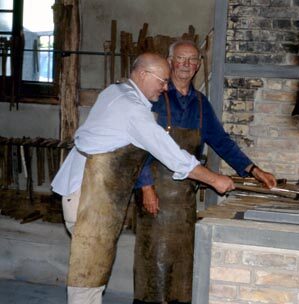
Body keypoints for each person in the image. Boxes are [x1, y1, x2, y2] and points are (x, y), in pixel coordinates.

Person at [51, 52, 235, 304]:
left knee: (94, 267)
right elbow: (173, 155)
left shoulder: (116, 90)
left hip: (89, 189)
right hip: (87, 195)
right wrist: (214, 180)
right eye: (161, 81)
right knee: (89, 270)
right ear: (142, 75)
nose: (165, 87)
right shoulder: (133, 110)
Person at [133, 41, 277, 304]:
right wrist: (145, 187)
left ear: (198, 65)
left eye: (192, 60)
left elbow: (221, 142)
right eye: (181, 59)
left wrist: (254, 170)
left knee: (182, 269)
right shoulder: (154, 98)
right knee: (154, 267)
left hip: (184, 199)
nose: (187, 65)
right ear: (170, 61)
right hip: (155, 194)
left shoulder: (201, 104)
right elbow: (138, 147)